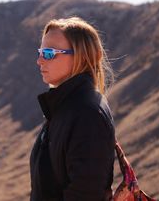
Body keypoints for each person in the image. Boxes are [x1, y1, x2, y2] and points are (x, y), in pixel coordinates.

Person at [30, 17, 116, 201]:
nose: (39, 60)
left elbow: (86, 194)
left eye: (48, 53)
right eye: (40, 52)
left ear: (81, 56)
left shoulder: (87, 115)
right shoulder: (65, 107)